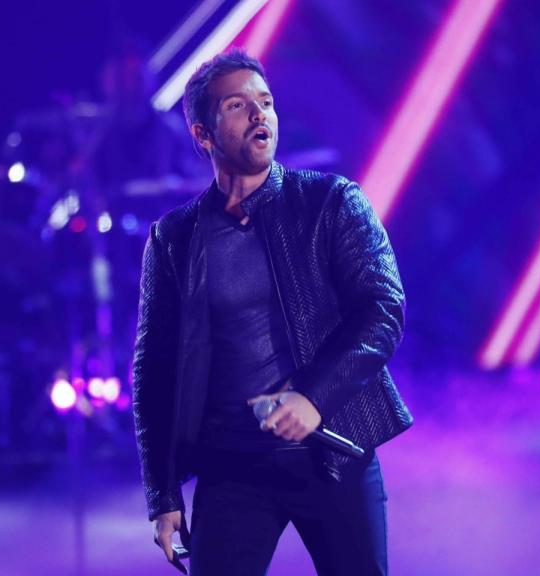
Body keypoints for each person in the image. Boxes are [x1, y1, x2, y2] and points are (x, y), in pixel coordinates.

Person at [132, 50, 412, 575]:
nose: (259, 114)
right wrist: (162, 494)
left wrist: (315, 397)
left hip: (332, 454)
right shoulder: (174, 240)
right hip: (232, 467)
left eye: (266, 102)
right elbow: (155, 371)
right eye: (239, 105)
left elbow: (383, 309)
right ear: (203, 134)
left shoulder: (330, 202)